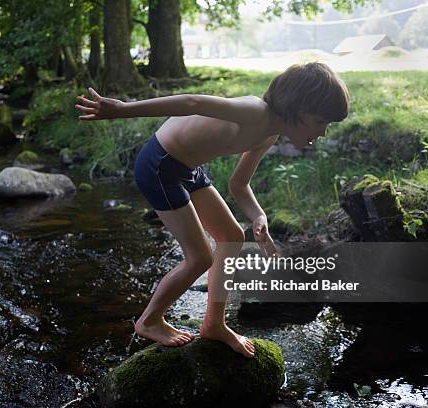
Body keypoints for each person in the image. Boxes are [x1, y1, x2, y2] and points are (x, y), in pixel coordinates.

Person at [74, 62, 350, 358]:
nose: (322, 133)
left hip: (187, 168)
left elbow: (239, 185)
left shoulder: (269, 134)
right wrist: (122, 109)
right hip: (160, 165)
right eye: (321, 121)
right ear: (297, 108)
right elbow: (193, 102)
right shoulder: (255, 111)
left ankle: (213, 325)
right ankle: (149, 320)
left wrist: (258, 215)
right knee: (200, 258)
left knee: (232, 237)